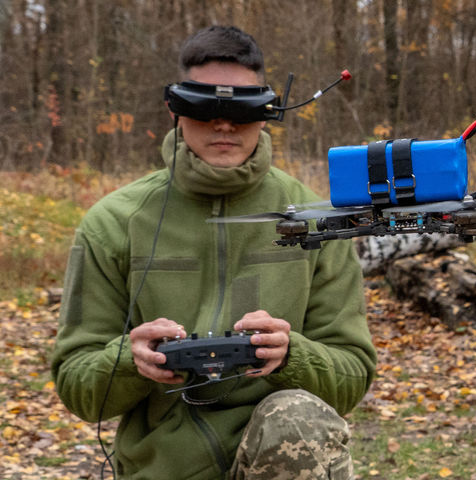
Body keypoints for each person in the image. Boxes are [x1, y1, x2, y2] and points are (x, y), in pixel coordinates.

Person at [51, 25, 376, 480]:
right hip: (162, 467)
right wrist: (130, 360)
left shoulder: (314, 220)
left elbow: (352, 376)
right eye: (204, 108)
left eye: (242, 109)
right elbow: (77, 386)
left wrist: (291, 356)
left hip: (282, 458)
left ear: (268, 112)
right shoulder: (114, 222)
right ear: (175, 108)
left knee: (297, 416)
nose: (224, 125)